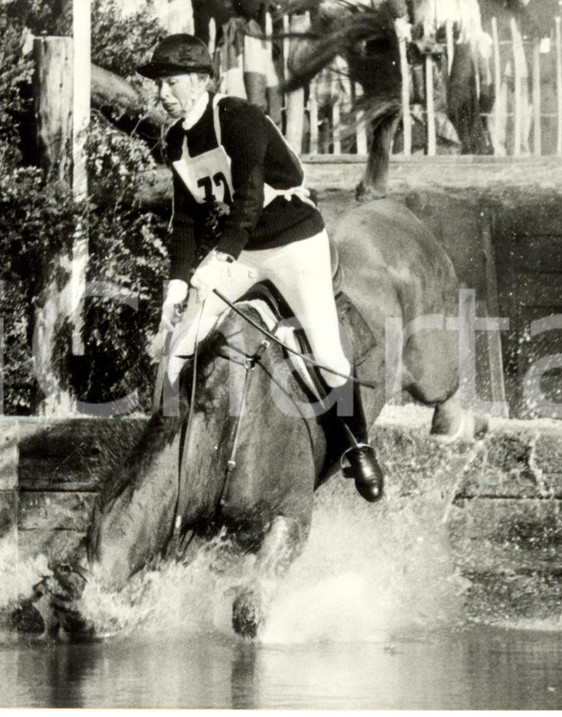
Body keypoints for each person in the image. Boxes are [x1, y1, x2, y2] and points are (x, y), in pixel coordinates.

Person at [138, 33, 384, 502]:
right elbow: (186, 220)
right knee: (176, 349)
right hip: (245, 249)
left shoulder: (239, 118)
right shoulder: (176, 142)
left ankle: (358, 446)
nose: (162, 95)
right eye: (158, 86)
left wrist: (219, 261)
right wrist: (176, 285)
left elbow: (248, 200)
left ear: (199, 81)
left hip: (294, 241)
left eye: (170, 85)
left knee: (326, 353)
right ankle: (172, 463)